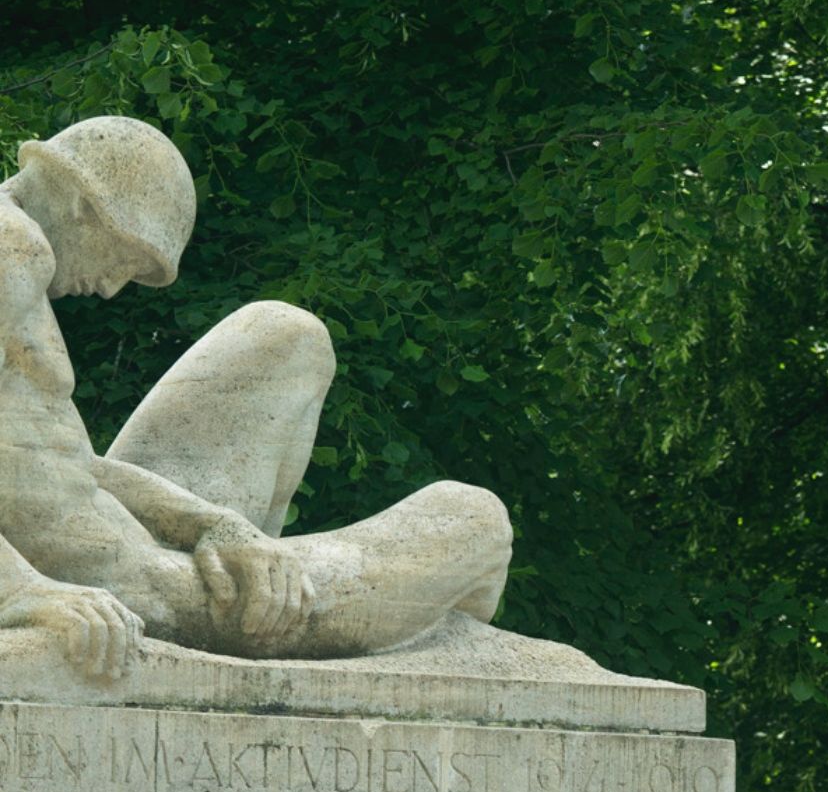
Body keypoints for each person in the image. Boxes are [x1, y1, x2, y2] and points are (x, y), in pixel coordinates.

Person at [0, 116, 512, 677]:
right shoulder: (14, 244)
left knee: (284, 334)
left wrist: (212, 522)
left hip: (139, 541)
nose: (112, 288)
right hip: (156, 594)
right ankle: (413, 644)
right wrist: (22, 594)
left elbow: (56, 465)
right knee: (474, 522)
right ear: (82, 204)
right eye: (126, 260)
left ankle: (291, 580)